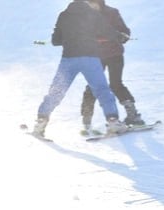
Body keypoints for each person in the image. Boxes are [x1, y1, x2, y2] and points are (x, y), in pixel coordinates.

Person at [33, 0, 127, 137]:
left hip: (69, 59)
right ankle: (113, 121)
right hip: (90, 58)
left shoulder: (64, 15)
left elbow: (55, 40)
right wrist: (120, 37)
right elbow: (107, 31)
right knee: (101, 89)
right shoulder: (93, 13)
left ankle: (41, 120)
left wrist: (67, 38)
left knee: (56, 91)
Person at [80, 0, 144, 132]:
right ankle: (86, 119)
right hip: (95, 56)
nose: (92, 5)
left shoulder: (112, 13)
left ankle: (133, 115)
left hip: (115, 55)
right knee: (93, 86)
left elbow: (124, 30)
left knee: (116, 84)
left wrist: (122, 36)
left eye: (94, 3)